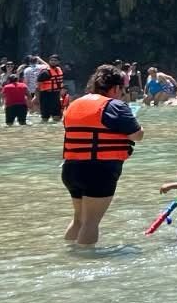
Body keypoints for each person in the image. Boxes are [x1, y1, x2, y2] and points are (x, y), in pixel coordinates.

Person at [61, 64, 145, 247]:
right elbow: (137, 135)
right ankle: (84, 262)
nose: (122, 94)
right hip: (99, 170)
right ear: (115, 88)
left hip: (71, 169)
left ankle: (68, 254)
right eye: (122, 90)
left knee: (78, 220)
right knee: (91, 222)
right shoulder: (115, 106)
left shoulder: (75, 104)